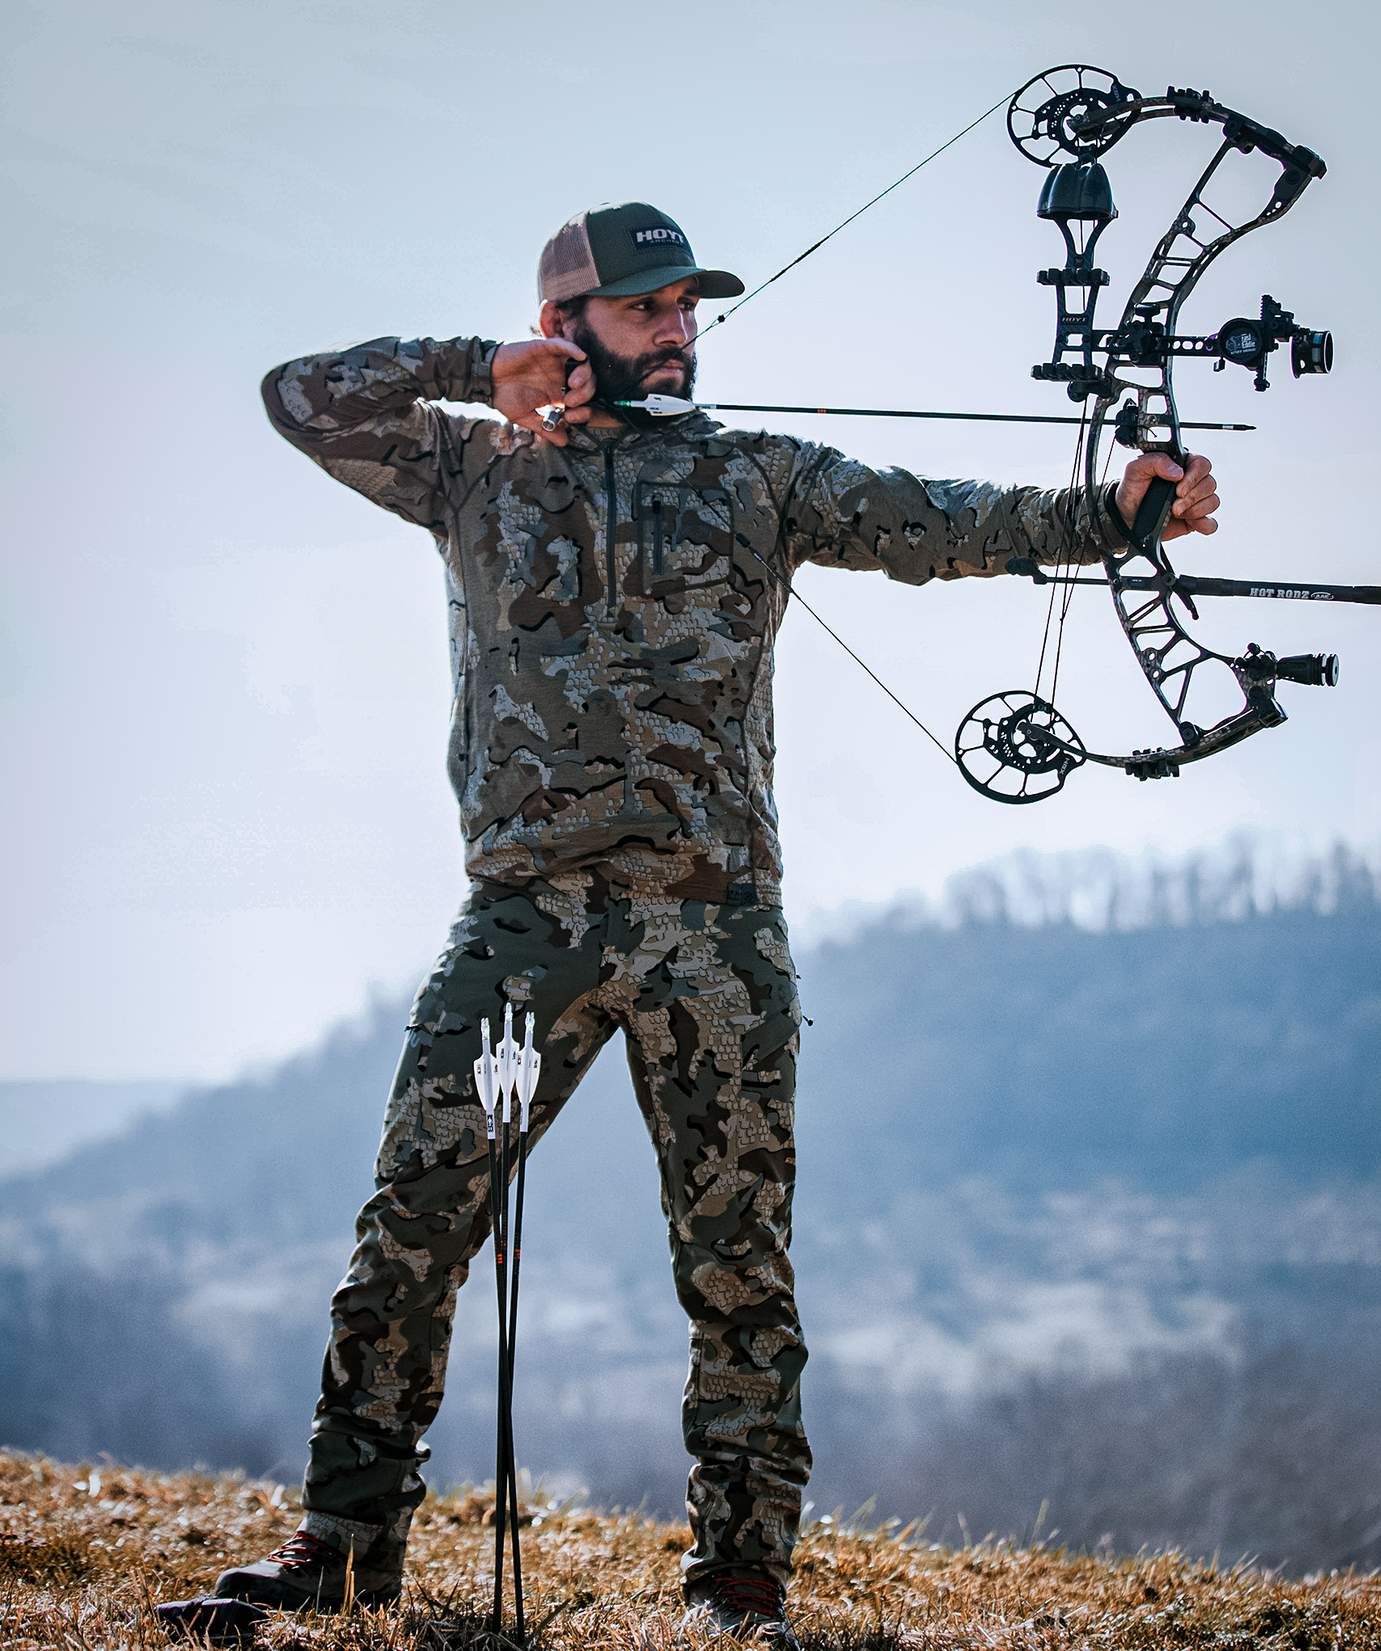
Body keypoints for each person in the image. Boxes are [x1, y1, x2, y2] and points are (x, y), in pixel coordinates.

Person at [171, 202, 1219, 1647]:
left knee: (739, 1269)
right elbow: (298, 395)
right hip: (525, 928)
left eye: (687, 307)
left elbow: (942, 523)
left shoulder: (756, 478)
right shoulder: (472, 466)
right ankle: (347, 1547)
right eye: (651, 306)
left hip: (715, 935)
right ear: (569, 330)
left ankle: (740, 1577)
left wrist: (1114, 512)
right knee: (411, 1230)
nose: (680, 329)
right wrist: (481, 369)